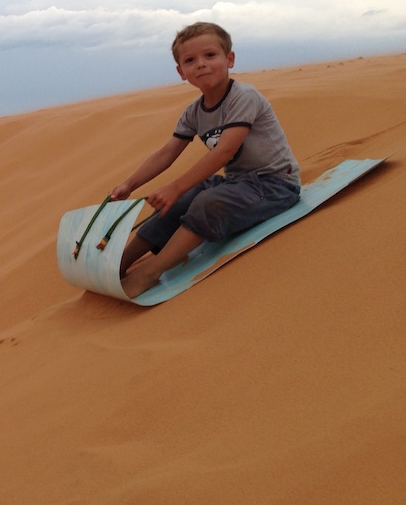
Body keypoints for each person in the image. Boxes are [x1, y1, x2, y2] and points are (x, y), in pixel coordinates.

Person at [110, 22, 301, 299]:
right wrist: (129, 184)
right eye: (190, 60)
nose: (201, 64)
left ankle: (151, 272)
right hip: (237, 183)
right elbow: (167, 152)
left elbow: (223, 152)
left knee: (207, 203)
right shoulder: (194, 112)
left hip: (275, 186)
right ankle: (121, 262)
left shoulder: (243, 97)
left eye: (210, 55)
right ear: (181, 72)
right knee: (181, 199)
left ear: (229, 59)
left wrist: (173, 187)